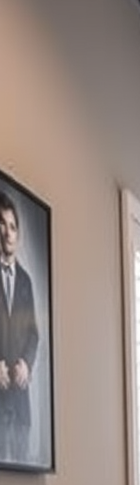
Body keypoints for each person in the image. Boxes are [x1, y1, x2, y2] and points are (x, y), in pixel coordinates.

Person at [0, 190, 39, 466]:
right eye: (1, 225)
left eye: (12, 226)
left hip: (21, 404)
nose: (7, 233)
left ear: (19, 234)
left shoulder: (26, 281)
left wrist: (26, 362)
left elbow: (33, 334)